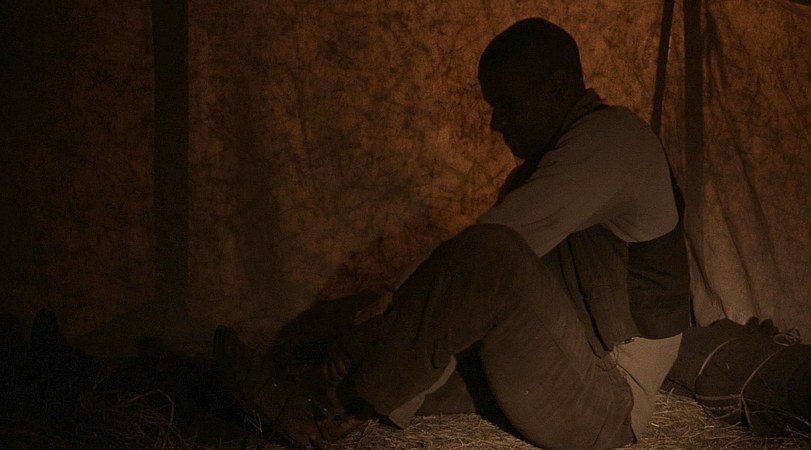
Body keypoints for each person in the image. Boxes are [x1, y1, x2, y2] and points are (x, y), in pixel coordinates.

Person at [213, 17, 692, 450]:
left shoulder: (615, 141)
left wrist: (371, 333)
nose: (495, 123)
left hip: (605, 401)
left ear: (559, 86)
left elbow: (482, 254)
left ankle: (326, 406)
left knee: (477, 261)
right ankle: (306, 390)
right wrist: (365, 326)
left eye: (506, 104)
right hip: (548, 362)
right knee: (356, 318)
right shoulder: (537, 171)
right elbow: (456, 285)